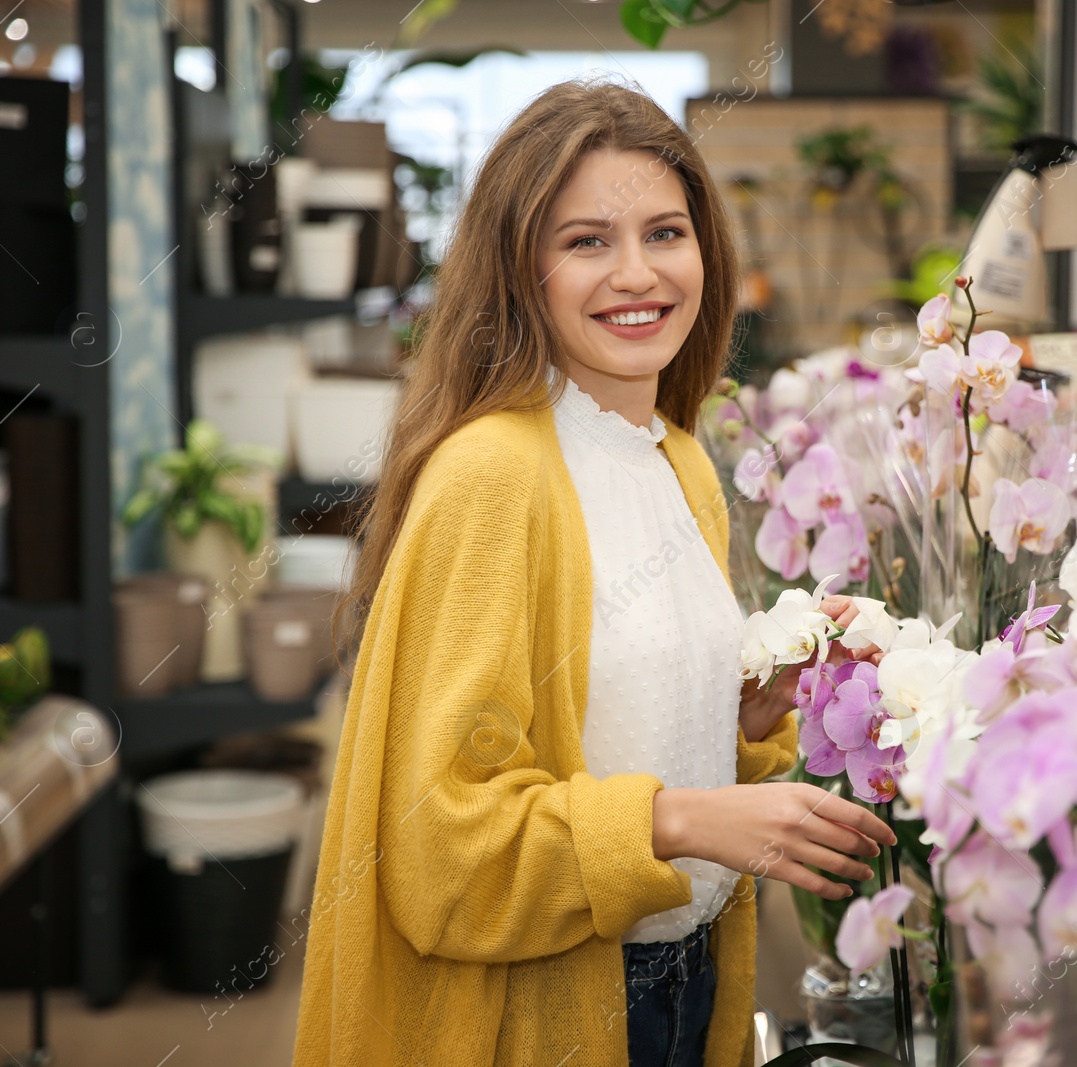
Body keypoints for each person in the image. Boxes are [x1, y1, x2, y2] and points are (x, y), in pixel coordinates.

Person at [292, 79, 896, 1067]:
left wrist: (745, 711)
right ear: (520, 271)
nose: (637, 273)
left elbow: (607, 726)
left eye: (665, 232)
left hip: (686, 977)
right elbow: (443, 851)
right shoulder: (493, 475)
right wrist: (685, 816)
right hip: (559, 1004)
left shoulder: (677, 459)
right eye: (586, 241)